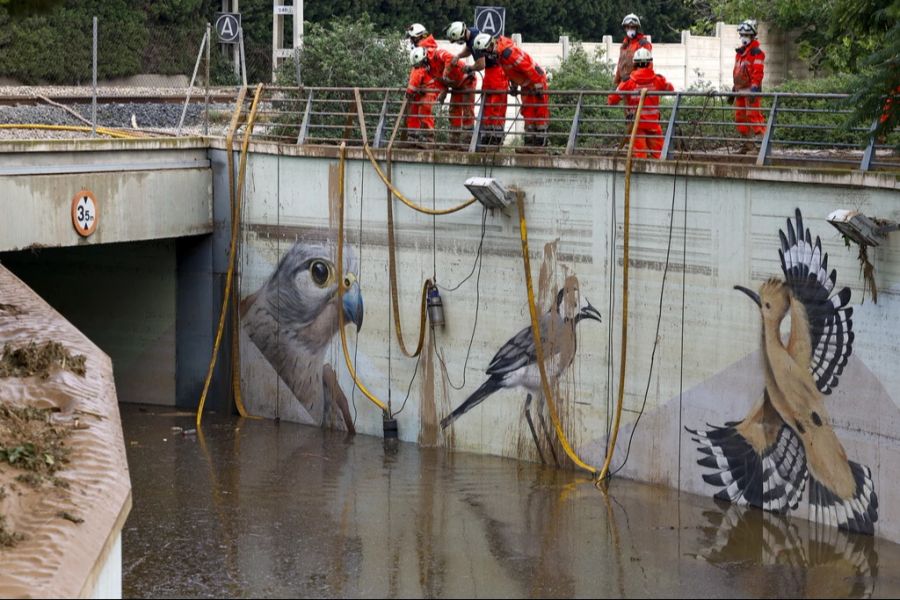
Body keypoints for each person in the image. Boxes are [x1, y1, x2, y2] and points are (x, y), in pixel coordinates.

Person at [473, 33, 549, 149]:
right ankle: (529, 146)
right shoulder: (501, 55)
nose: (486, 55)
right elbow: (512, 71)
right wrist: (514, 85)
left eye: (485, 52)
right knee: (528, 113)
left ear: (490, 46)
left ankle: (539, 146)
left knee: (539, 113)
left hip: (536, 82)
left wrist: (538, 85)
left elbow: (528, 67)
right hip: (526, 84)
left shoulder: (509, 53)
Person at [446, 21, 509, 148]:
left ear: (460, 36)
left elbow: (481, 64)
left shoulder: (475, 41)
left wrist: (469, 68)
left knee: (495, 107)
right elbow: (468, 49)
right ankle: (487, 140)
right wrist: (459, 56)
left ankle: (494, 141)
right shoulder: (472, 32)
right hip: (492, 72)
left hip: (496, 72)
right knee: (487, 107)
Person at [607, 48, 675, 159]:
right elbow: (671, 89)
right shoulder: (657, 80)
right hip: (653, 124)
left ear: (634, 63)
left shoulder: (628, 82)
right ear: (650, 63)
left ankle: (641, 175)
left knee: (640, 157)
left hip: (636, 126)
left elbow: (611, 100)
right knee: (660, 156)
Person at [409, 45, 477, 147]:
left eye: (421, 64)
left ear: (424, 58)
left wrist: (445, 74)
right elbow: (438, 80)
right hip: (455, 85)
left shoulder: (438, 54)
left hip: (466, 80)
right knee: (454, 111)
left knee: (467, 111)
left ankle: (468, 142)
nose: (421, 67)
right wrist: (443, 92)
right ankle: (454, 142)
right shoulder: (429, 68)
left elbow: (450, 59)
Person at [732, 19, 766, 153]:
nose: (744, 38)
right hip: (740, 91)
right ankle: (747, 145)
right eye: (742, 35)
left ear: (752, 36)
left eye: (746, 35)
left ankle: (760, 147)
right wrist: (734, 87)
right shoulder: (740, 53)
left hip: (751, 92)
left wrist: (754, 88)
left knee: (754, 116)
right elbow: (737, 71)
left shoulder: (757, 53)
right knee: (740, 117)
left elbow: (758, 73)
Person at [404, 24, 441, 146]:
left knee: (422, 111)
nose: (410, 41)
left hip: (426, 87)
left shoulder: (423, 50)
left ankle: (425, 139)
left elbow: (418, 72)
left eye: (411, 38)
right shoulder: (429, 48)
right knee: (417, 111)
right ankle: (415, 138)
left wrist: (411, 89)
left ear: (417, 37)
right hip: (425, 87)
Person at [614, 14, 653, 87]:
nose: (630, 29)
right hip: (624, 84)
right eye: (627, 27)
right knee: (611, 97)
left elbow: (647, 66)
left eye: (632, 27)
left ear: (636, 28)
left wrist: (632, 77)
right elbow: (620, 65)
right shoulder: (624, 45)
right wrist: (617, 82)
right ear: (625, 28)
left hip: (638, 84)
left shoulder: (643, 44)